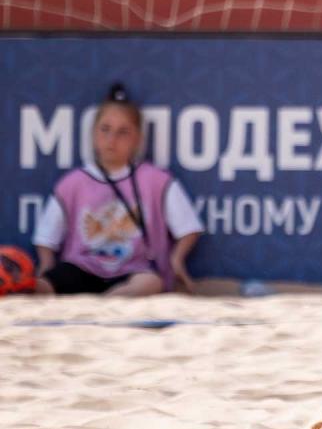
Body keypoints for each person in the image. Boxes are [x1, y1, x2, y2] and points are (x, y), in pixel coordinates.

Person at [32, 84, 204, 296]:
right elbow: (46, 237)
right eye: (105, 129)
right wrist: (46, 265)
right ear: (93, 133)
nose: (111, 139)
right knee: (42, 286)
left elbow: (189, 228)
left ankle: (107, 302)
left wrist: (176, 260)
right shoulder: (72, 183)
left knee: (151, 283)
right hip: (82, 268)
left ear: (138, 139)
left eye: (123, 132)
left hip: (133, 271)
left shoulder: (158, 181)